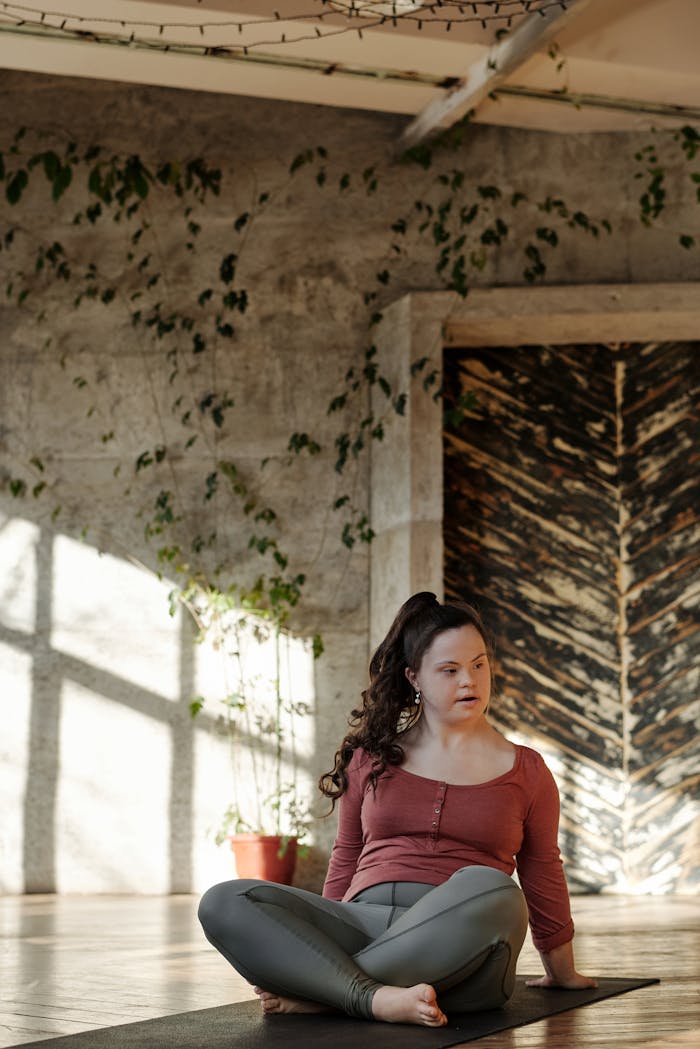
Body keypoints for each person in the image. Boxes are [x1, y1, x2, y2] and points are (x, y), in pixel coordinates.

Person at [198, 592, 596, 1027]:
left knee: (496, 891)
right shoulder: (371, 757)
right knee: (224, 901)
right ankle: (372, 996)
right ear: (414, 677)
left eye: (479, 665)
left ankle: (332, 994)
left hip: (463, 949)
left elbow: (541, 869)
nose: (470, 681)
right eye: (450, 670)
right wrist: (321, 936)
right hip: (361, 921)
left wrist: (562, 972)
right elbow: (347, 855)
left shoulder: (527, 770)